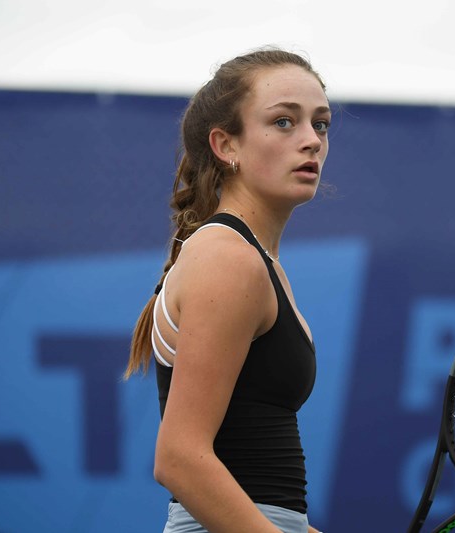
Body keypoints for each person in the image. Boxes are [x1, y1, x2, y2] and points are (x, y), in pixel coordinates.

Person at [124, 48, 330, 533]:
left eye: (320, 124)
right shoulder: (228, 258)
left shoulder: (254, 260)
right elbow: (179, 459)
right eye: (284, 122)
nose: (311, 141)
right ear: (226, 145)